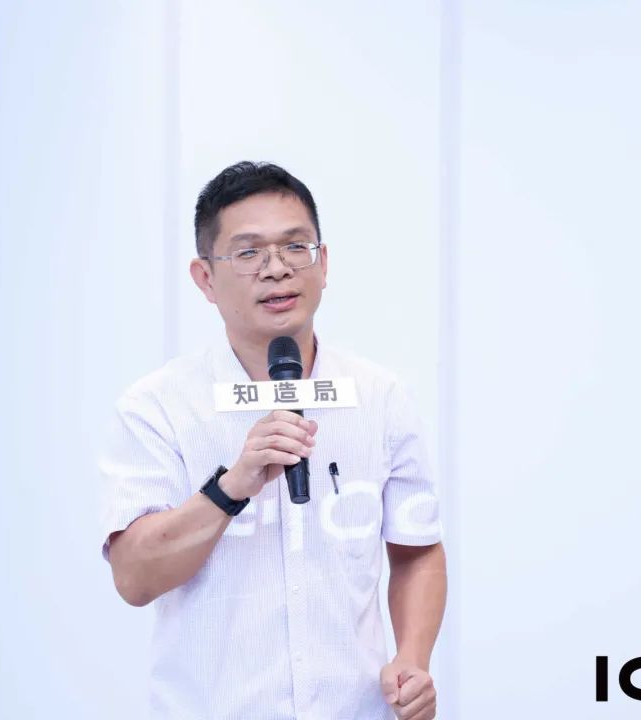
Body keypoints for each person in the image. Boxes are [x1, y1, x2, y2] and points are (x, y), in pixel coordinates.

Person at [99, 161, 446, 719]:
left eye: (295, 247)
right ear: (205, 279)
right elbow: (134, 579)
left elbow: (417, 550)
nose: (277, 269)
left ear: (323, 263)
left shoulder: (379, 396)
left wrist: (412, 657)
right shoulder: (157, 406)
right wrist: (230, 488)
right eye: (249, 252)